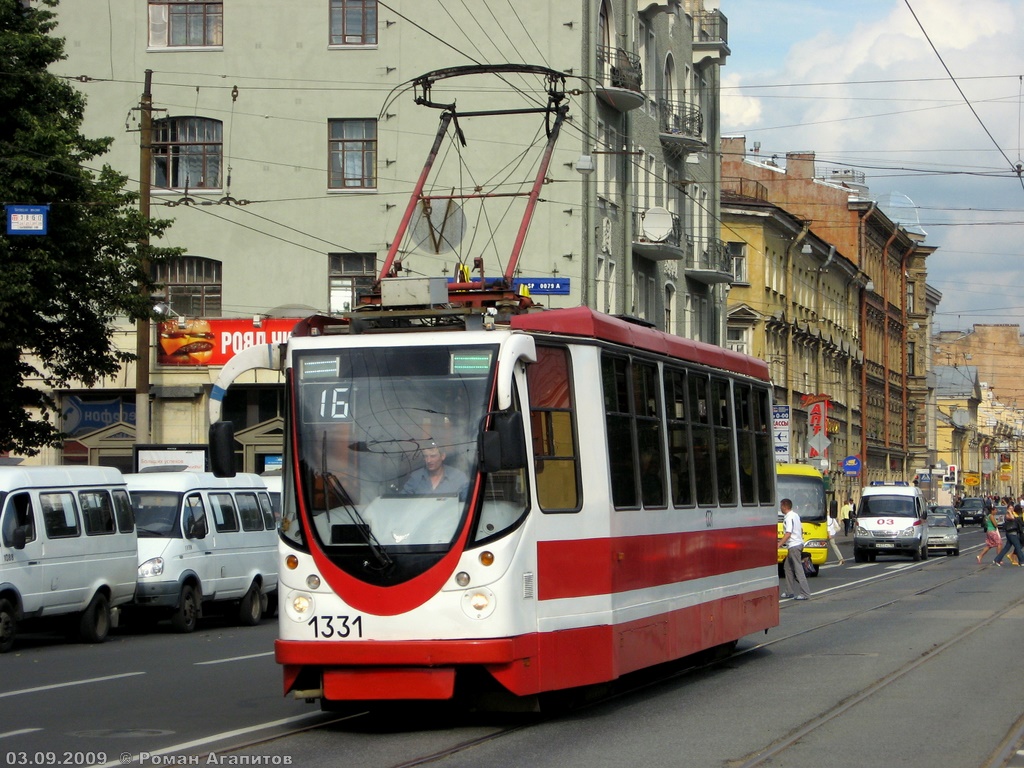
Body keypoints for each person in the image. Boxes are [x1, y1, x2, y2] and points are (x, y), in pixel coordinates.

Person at [403, 443, 469, 498]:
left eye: (433, 456)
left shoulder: (458, 477)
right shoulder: (416, 477)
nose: (428, 460)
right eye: (426, 456)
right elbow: (402, 500)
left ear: (443, 456)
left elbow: (467, 503)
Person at [778, 498, 811, 601]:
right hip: (796, 544)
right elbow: (800, 529)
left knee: (798, 569)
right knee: (787, 567)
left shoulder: (789, 517)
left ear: (784, 506)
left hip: (794, 546)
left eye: (781, 506)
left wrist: (779, 544)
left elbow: (788, 533)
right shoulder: (795, 515)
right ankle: (789, 591)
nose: (780, 508)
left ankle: (805, 593)